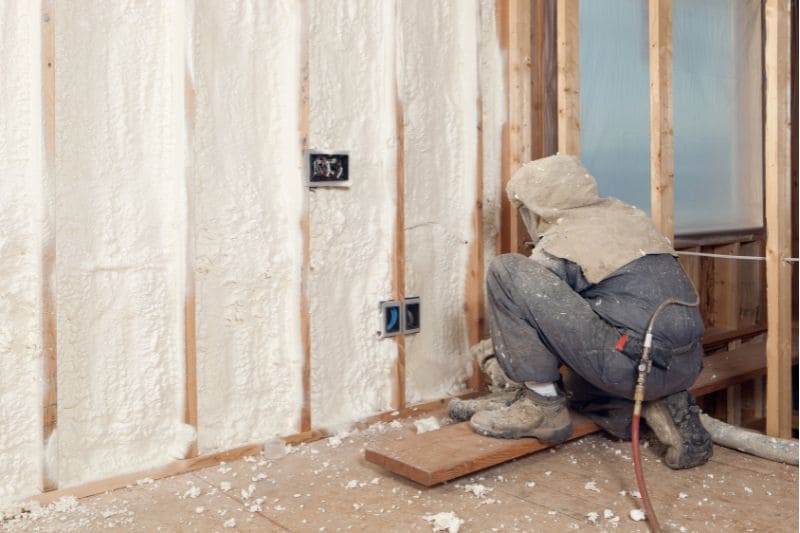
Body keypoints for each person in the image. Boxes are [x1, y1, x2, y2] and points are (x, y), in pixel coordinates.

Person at [449, 154, 713, 469]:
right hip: (683, 364)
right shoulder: (628, 216)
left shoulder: (564, 241)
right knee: (578, 387)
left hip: (630, 367)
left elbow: (528, 308)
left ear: (537, 207)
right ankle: (654, 405)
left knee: (507, 271)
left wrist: (497, 356)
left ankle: (541, 407)